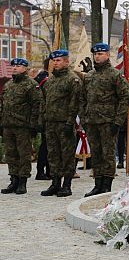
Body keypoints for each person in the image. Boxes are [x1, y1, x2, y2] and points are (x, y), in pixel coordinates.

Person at [80, 43, 129, 197]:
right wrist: (83, 119)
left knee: (107, 154)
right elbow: (82, 99)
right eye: (95, 54)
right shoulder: (89, 76)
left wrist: (118, 121)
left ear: (108, 55)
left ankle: (106, 185)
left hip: (108, 122)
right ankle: (97, 184)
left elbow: (124, 98)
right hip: (92, 121)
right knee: (96, 153)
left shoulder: (115, 75)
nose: (97, 56)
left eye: (101, 54)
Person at [40, 49, 81, 197]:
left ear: (66, 61)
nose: (55, 63)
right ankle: (55, 183)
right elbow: (44, 102)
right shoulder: (50, 81)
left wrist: (70, 122)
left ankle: (67, 185)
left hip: (65, 123)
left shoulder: (72, 79)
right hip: (50, 123)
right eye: (54, 61)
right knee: (53, 154)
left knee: (67, 155)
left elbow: (75, 102)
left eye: (58, 60)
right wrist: (42, 120)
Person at [0, 58, 43, 195]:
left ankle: (22, 182)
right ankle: (13, 180)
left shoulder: (31, 85)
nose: (14, 68)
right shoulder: (9, 85)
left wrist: (33, 125)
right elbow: (3, 105)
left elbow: (37, 105)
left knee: (23, 155)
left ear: (25, 68)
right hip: (8, 125)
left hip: (23, 126)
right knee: (11, 154)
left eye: (18, 66)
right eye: (13, 66)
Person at [34, 59, 51, 180]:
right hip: (48, 117)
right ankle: (44, 171)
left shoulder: (38, 78)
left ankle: (42, 170)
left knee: (45, 145)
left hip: (43, 118)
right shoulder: (46, 80)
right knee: (48, 146)